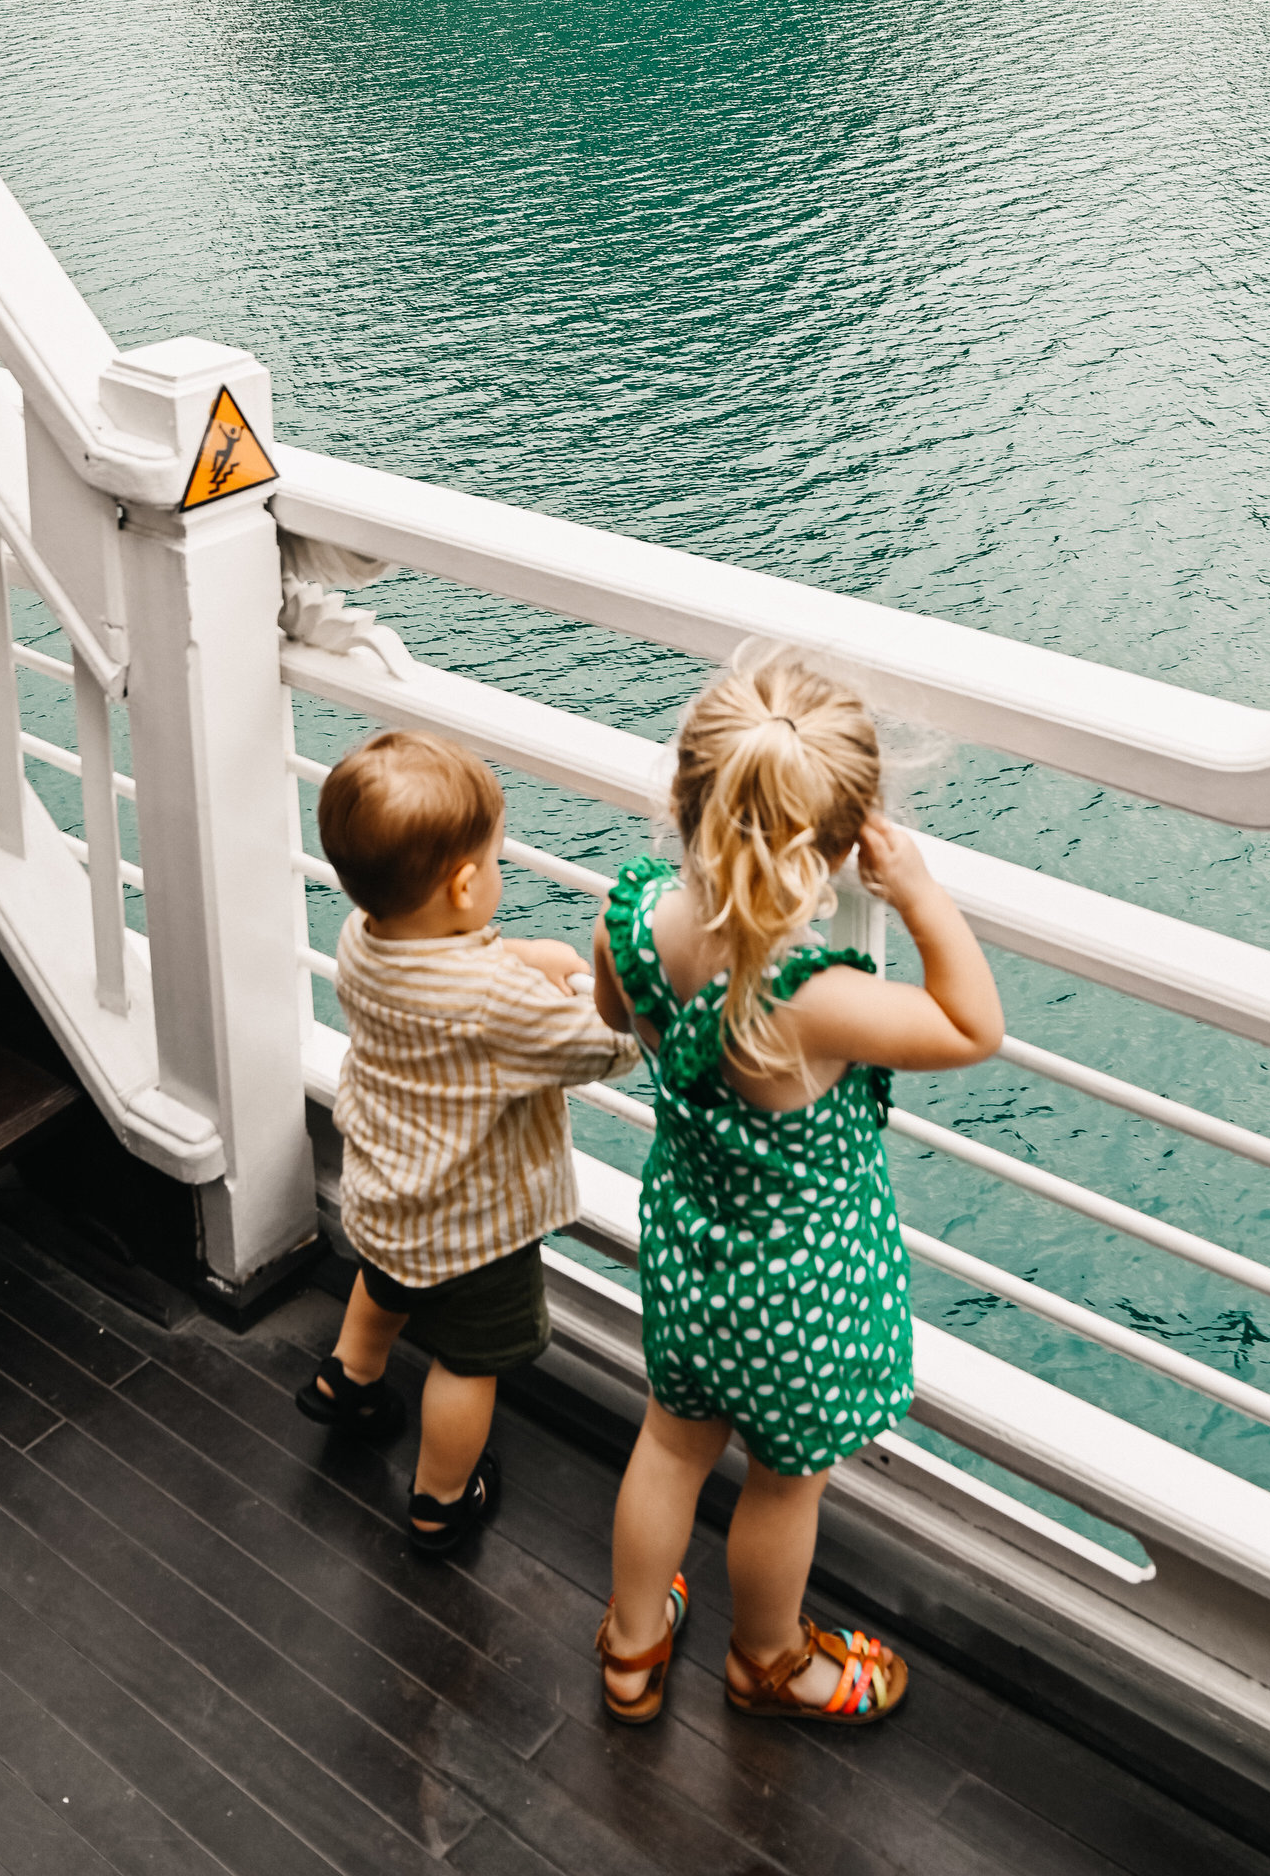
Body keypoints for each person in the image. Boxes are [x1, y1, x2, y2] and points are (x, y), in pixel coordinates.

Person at [590, 649, 1003, 1725]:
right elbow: (972, 1026)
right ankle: (766, 1657)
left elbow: (607, 1013)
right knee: (781, 1483)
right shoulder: (811, 1002)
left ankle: (632, 1650)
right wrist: (914, 892)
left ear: (685, 804)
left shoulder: (630, 917)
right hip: (801, 1296)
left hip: (688, 1249)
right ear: (829, 855)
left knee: (670, 1440)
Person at [296, 727, 641, 1555]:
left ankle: (348, 1380)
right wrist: (612, 973)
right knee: (469, 1361)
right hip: (475, 1229)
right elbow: (607, 1047)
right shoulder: (491, 1003)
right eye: (492, 864)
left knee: (384, 1286)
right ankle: (442, 1498)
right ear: (461, 885)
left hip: (385, 1193)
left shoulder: (365, 936)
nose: (496, 874)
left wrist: (520, 954)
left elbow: (451, 973)